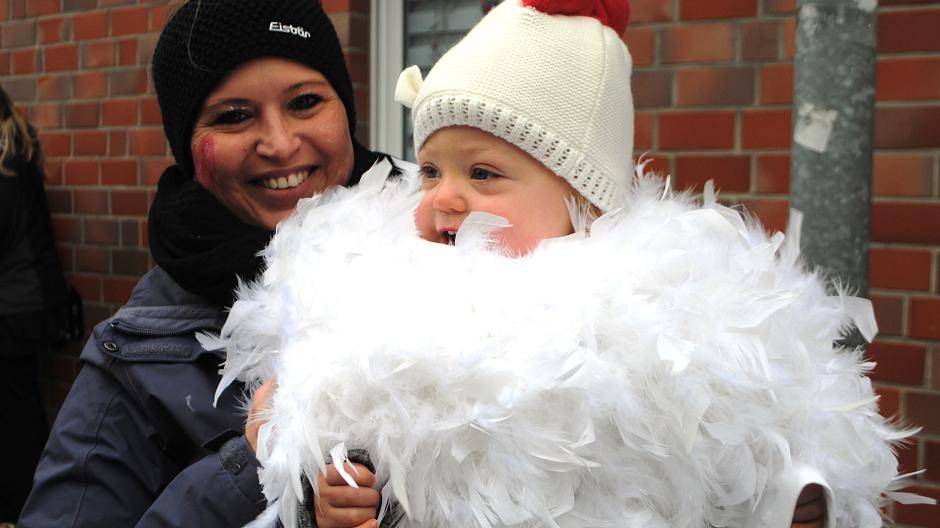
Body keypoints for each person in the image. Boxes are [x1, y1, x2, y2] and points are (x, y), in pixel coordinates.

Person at [219, 1, 894, 527]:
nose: (443, 197)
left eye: (483, 174)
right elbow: (327, 427)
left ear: (583, 206)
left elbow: (736, 432)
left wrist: (793, 500)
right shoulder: (383, 287)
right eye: (429, 170)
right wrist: (329, 492)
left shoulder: (651, 315)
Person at [17, 0, 400, 526]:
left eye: (306, 102)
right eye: (234, 116)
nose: (281, 143)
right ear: (186, 144)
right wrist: (248, 466)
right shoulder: (133, 360)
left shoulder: (445, 243)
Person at [0, 85, 76, 523]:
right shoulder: (15, 150)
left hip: (14, 311)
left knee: (15, 414)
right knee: (17, 408)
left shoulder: (5, 163)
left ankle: (23, 510)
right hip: (26, 305)